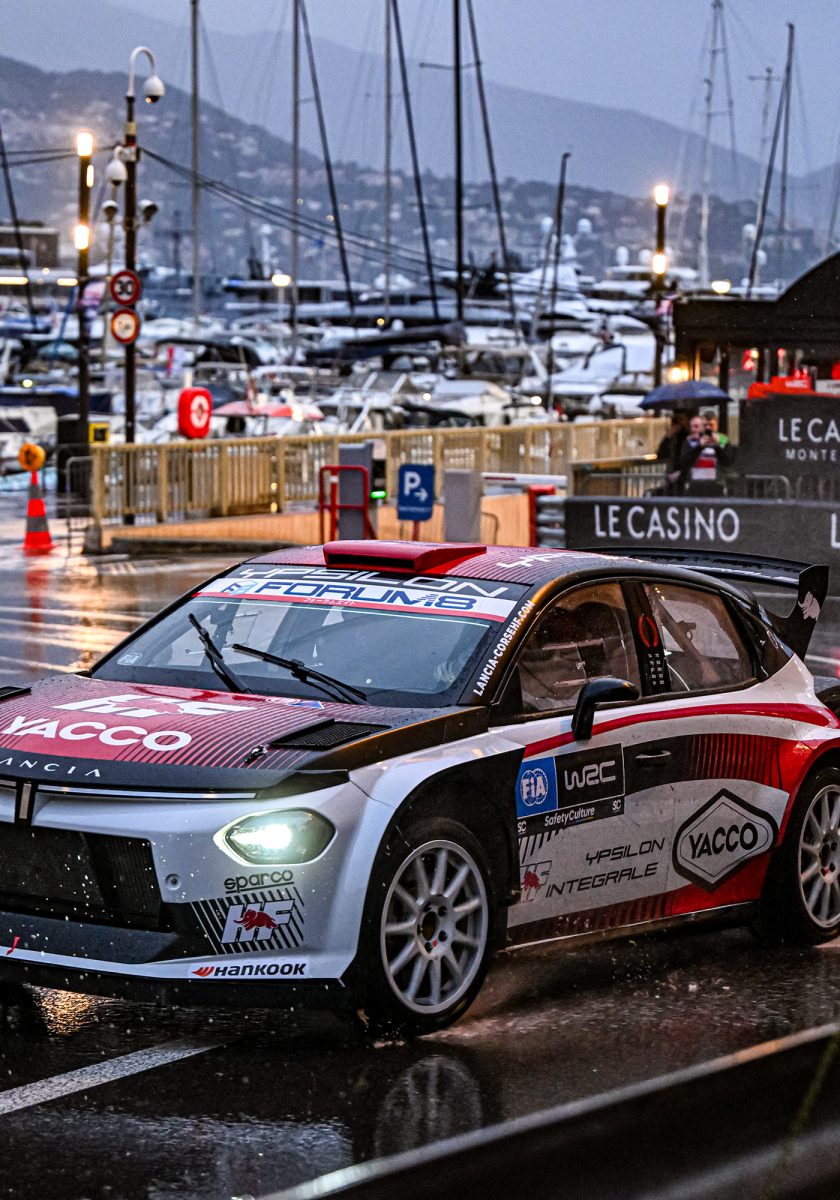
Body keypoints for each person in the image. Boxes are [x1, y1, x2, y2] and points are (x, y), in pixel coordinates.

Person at [673, 413, 735, 494]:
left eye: (711, 425)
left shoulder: (723, 440)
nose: (708, 428)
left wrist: (717, 446)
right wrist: (699, 447)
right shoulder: (691, 440)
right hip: (695, 485)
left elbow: (728, 462)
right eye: (705, 425)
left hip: (717, 484)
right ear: (701, 425)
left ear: (716, 425)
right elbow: (683, 462)